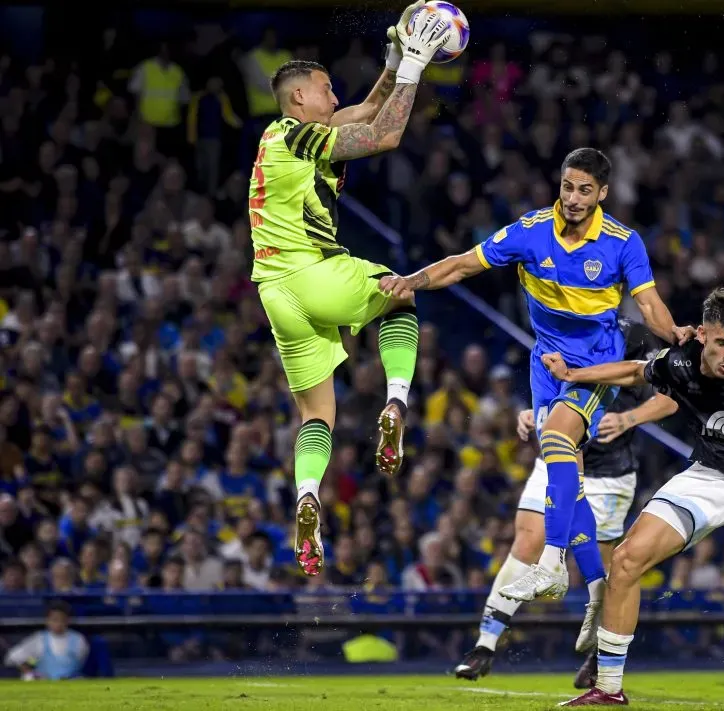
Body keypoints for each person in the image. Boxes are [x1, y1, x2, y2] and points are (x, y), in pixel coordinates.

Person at [381, 147, 688, 606]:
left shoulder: (624, 242)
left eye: (585, 190)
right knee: (566, 472)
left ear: (602, 193)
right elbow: (465, 263)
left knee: (558, 441)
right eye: (568, 186)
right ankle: (595, 586)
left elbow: (650, 308)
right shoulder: (532, 230)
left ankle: (551, 563)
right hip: (544, 364)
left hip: (593, 365)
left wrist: (677, 332)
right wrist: (412, 279)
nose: (574, 197)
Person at [543, 287, 724, 706]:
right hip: (708, 476)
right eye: (722, 343)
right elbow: (634, 371)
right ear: (703, 334)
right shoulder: (677, 364)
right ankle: (608, 688)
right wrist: (572, 375)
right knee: (627, 560)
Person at [247, 3, 454, 576]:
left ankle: (306, 496)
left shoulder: (278, 137)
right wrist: (414, 69)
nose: (334, 98)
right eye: (325, 90)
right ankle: (396, 401)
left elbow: (364, 110)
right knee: (403, 291)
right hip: (313, 271)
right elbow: (383, 135)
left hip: (274, 292)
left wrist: (393, 66)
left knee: (317, 414)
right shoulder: (294, 135)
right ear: (298, 100)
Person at [454, 320, 679, 686]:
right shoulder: (557, 320)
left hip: (607, 471)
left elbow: (672, 396)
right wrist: (535, 414)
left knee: (608, 566)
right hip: (556, 458)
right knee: (527, 541)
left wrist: (628, 418)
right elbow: (552, 386)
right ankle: (485, 644)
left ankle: (602, 653)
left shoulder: (634, 334)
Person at [4, 600, 89, 680]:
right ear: (47, 621)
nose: (59, 624)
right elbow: (13, 657)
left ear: (68, 621)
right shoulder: (39, 639)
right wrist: (28, 670)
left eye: (62, 620)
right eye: (55, 620)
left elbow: (82, 660)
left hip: (71, 682)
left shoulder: (78, 639)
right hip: (44, 682)